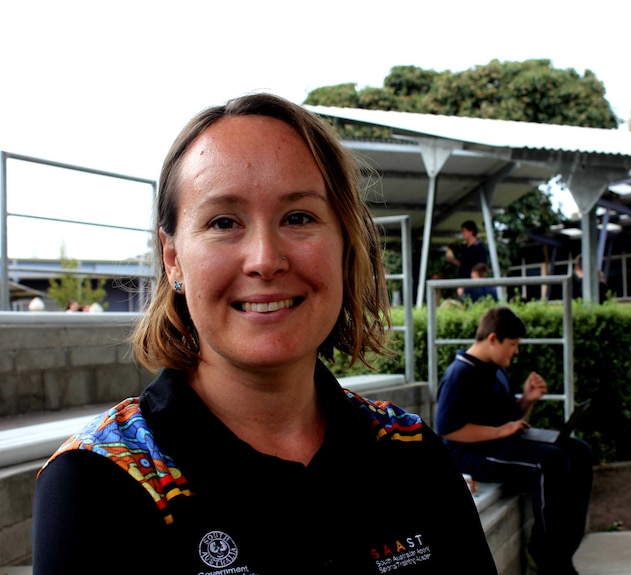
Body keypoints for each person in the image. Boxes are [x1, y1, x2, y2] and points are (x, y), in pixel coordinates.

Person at [32, 93, 497, 575]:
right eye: (223, 222)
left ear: (344, 243)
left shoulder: (411, 453)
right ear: (174, 259)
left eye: (298, 218)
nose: (265, 259)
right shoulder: (98, 482)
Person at [435, 306, 593, 575]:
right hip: (472, 454)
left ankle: (565, 548)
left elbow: (509, 419)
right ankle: (547, 555)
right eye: (512, 344)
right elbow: (447, 429)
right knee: (549, 462)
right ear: (493, 338)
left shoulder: (496, 369)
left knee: (580, 451)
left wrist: (527, 401)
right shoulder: (460, 374)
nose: (516, 351)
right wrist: (499, 432)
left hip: (500, 445)